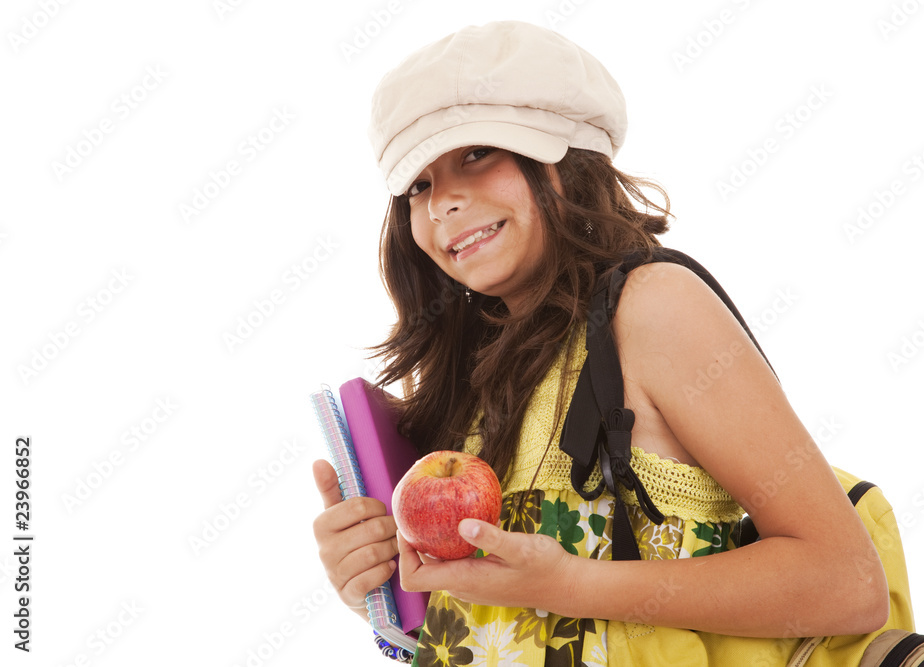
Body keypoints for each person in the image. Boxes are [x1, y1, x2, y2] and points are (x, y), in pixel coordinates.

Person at [312, 20, 889, 666]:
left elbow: (849, 583)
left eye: (476, 154)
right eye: (418, 185)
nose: (443, 200)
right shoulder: (473, 376)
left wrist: (573, 586)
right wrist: (381, 591)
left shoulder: (652, 309)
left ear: (566, 159)